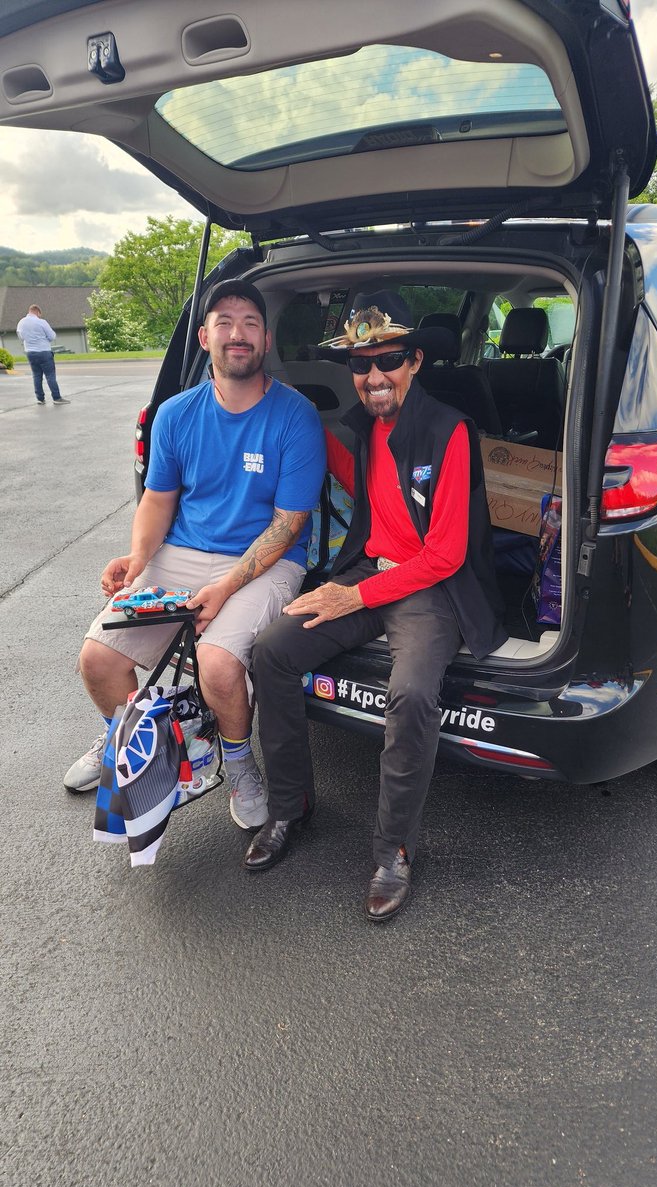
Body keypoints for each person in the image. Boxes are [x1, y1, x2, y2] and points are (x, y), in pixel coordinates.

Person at [244, 290, 506, 922]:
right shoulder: (361, 429)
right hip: (369, 573)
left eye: (387, 360)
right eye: (360, 365)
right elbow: (350, 480)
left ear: (414, 362)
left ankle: (393, 851)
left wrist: (351, 595)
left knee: (413, 693)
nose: (372, 377)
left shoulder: (450, 432)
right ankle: (289, 806)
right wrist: (288, 411)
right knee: (273, 651)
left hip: (429, 590)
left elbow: (443, 556)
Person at [64, 280, 326, 831]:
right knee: (99, 659)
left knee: (219, 664)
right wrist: (137, 559)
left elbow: (288, 525)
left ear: (266, 338)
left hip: (267, 561)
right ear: (204, 336)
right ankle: (134, 747)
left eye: (250, 323)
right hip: (180, 553)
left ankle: (238, 768)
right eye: (225, 322)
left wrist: (225, 588)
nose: (238, 333)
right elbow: (158, 500)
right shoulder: (175, 414)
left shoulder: (295, 415)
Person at [16, 303, 69, 405]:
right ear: (37, 312)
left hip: (30, 352)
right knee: (50, 376)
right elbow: (52, 336)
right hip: (44, 352)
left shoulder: (21, 323)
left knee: (36, 375)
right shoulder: (41, 322)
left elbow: (21, 338)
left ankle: (40, 399)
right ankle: (56, 398)